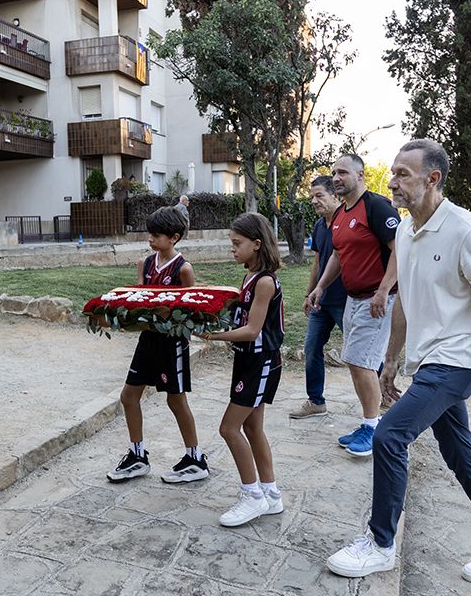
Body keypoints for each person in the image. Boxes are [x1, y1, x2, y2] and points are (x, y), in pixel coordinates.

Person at [325, 139, 471, 585]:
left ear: (432, 179)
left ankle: (380, 544)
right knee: (460, 454)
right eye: (393, 172)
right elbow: (403, 302)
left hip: (456, 361)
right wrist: (390, 360)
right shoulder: (406, 229)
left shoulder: (466, 230)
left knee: (390, 436)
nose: (392, 181)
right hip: (426, 360)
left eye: (402, 174)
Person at [304, 153, 401, 458]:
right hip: (354, 298)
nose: (336, 177)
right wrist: (320, 286)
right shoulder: (341, 214)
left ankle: (372, 429)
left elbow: (400, 249)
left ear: (361, 176)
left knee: (361, 362)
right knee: (355, 361)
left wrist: (384, 290)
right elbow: (337, 255)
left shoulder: (376, 206)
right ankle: (369, 422)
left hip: (377, 299)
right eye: (334, 172)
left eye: (343, 172)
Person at [107, 207, 207, 484]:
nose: (151, 239)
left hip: (172, 343)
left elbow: (190, 309)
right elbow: (141, 298)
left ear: (174, 238)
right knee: (129, 396)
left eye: (157, 235)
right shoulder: (146, 263)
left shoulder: (183, 268)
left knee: (176, 400)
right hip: (148, 339)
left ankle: (195, 458)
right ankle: (137, 455)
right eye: (149, 234)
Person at [201, 213, 285, 526]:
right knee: (251, 428)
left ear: (257, 244)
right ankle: (271, 494)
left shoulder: (264, 281)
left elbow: (252, 330)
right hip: (248, 360)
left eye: (237, 243)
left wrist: (212, 335)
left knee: (228, 428)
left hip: (260, 362)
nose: (232, 249)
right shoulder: (250, 275)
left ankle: (252, 496)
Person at [291, 176, 348, 419]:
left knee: (361, 353)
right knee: (312, 348)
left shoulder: (348, 222)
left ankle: (382, 395)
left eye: (319, 196)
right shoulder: (318, 226)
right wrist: (309, 292)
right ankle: (316, 401)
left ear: (335, 195)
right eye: (312, 196)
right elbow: (317, 262)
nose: (314, 201)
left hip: (347, 301)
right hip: (321, 302)